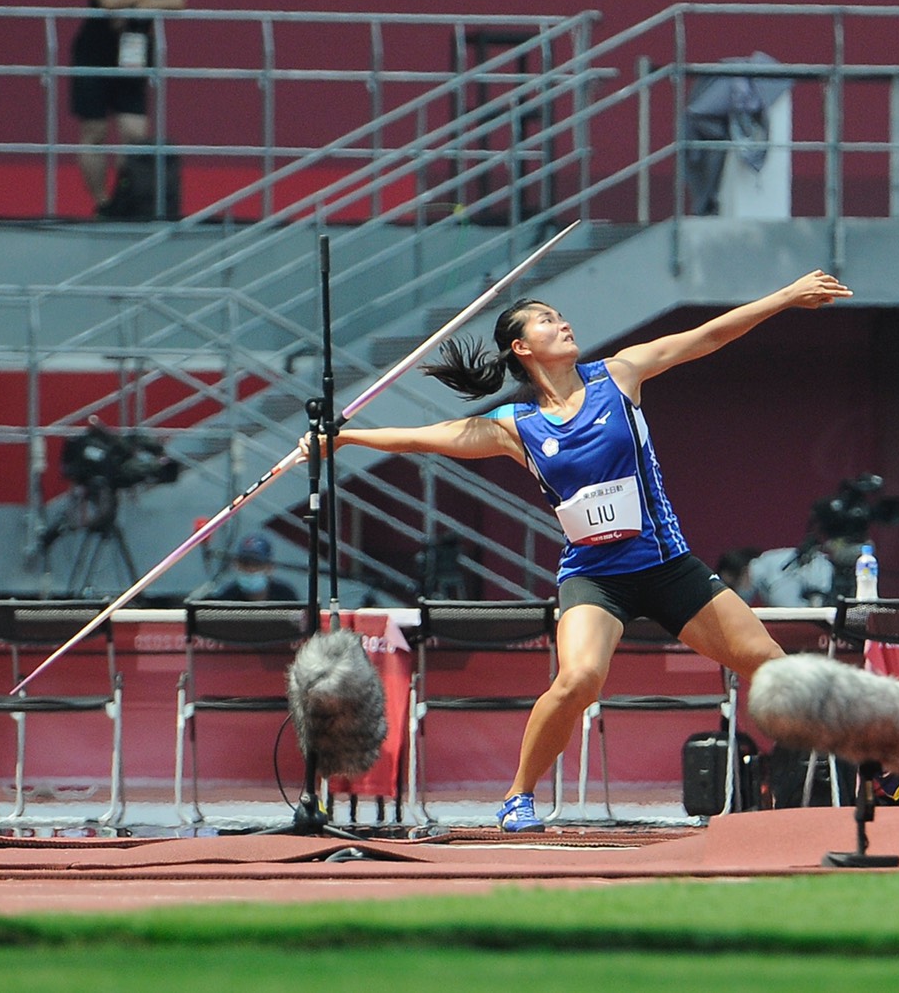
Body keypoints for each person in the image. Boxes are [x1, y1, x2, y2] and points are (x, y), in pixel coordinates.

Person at [319, 269, 853, 831]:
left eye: (560, 316)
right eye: (546, 321)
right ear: (522, 348)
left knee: (771, 664)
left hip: (668, 566)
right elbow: (421, 437)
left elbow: (706, 336)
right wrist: (345, 437)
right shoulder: (516, 426)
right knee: (578, 679)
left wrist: (784, 297)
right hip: (596, 578)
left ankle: (870, 764)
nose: (563, 323)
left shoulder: (619, 375)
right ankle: (518, 797)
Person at [69, 0, 186, 213]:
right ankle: (101, 202)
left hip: (133, 58)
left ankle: (123, 199)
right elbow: (107, 0)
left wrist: (147, 3)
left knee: (135, 133)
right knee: (94, 131)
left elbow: (178, 0)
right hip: (93, 57)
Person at [211, 533, 297, 602]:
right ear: (236, 565)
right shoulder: (227, 598)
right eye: (245, 563)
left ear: (269, 567)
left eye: (257, 564)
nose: (250, 569)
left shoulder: (286, 596)